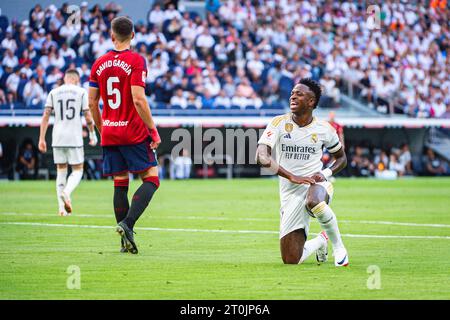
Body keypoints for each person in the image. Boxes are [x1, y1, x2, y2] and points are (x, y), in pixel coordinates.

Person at [256, 78, 349, 267]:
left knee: (314, 201)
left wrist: (325, 174)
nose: (293, 96)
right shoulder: (278, 123)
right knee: (291, 260)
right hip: (289, 192)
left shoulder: (325, 128)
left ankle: (339, 248)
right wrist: (292, 176)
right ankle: (322, 240)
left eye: (299, 93)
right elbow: (262, 156)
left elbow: (341, 158)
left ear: (311, 101)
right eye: (292, 93)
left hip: (316, 185)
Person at [89, 16, 161, 254]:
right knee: (151, 178)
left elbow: (92, 102)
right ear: (132, 35)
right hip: (132, 130)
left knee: (120, 184)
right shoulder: (136, 60)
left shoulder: (98, 63)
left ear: (112, 36)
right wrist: (152, 130)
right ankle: (127, 225)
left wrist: (102, 128)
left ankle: (124, 241)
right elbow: (139, 99)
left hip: (110, 131)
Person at [38, 69, 98, 216]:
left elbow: (45, 116)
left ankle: (61, 209)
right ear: (76, 79)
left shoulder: (53, 92)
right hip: (74, 137)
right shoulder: (81, 91)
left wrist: (41, 138)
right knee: (78, 170)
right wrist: (92, 134)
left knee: (61, 171)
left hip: (57, 137)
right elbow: (88, 117)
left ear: (65, 78)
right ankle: (67, 192)